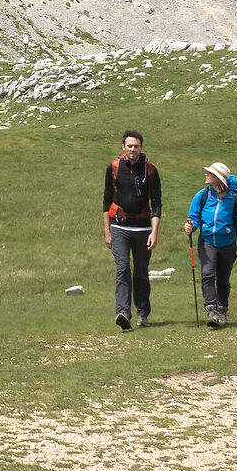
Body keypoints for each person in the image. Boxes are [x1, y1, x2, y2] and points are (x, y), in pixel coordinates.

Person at [101, 130, 161, 330]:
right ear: (123, 147)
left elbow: (157, 203)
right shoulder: (114, 168)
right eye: (129, 146)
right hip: (120, 227)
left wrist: (154, 232)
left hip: (143, 228)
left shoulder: (150, 170)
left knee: (141, 272)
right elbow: (106, 201)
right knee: (123, 268)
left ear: (141, 148)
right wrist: (107, 232)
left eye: (136, 146)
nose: (133, 149)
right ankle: (123, 312)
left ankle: (143, 314)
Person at [185, 162, 237, 328]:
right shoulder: (202, 195)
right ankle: (211, 310)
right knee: (207, 274)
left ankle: (222, 310)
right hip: (207, 241)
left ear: (218, 178)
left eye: (210, 173)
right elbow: (194, 217)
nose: (206, 175)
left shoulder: (234, 199)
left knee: (223, 278)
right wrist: (191, 226)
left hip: (228, 243)